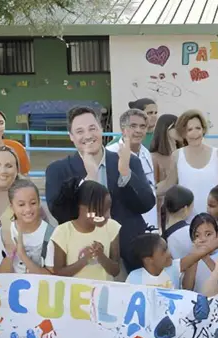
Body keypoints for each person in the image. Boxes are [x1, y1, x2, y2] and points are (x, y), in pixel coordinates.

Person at [45, 106, 155, 272]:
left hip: (127, 255)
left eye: (92, 128)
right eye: (80, 131)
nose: (88, 135)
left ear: (101, 129)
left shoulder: (128, 161)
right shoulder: (58, 170)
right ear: (71, 137)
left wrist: (125, 173)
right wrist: (89, 178)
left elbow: (146, 203)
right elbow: (60, 214)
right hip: (82, 258)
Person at [50, 180, 121, 281]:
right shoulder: (62, 232)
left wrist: (101, 256)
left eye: (108, 209)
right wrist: (84, 260)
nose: (107, 215)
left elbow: (116, 271)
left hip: (103, 293)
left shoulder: (112, 228)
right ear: (83, 209)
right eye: (101, 211)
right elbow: (59, 272)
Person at [162, 110, 218, 218]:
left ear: (203, 130)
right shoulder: (177, 155)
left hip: (214, 220)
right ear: (183, 133)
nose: (195, 133)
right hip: (185, 220)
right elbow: (168, 185)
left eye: (198, 128)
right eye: (189, 129)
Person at [107, 108, 158, 231]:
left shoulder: (146, 153)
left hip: (150, 221)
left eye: (142, 126)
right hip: (124, 224)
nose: (138, 131)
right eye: (133, 126)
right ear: (123, 129)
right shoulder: (111, 153)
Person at [0, 181, 54, 274]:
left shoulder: (52, 234)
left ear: (39, 203)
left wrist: (22, 255)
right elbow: (0, 275)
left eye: (33, 203)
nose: (28, 209)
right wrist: (10, 252)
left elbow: (51, 276)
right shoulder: (1, 234)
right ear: (12, 207)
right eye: (21, 205)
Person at [149, 113, 180, 200]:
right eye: (177, 127)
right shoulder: (153, 158)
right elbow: (153, 188)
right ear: (168, 129)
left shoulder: (181, 154)